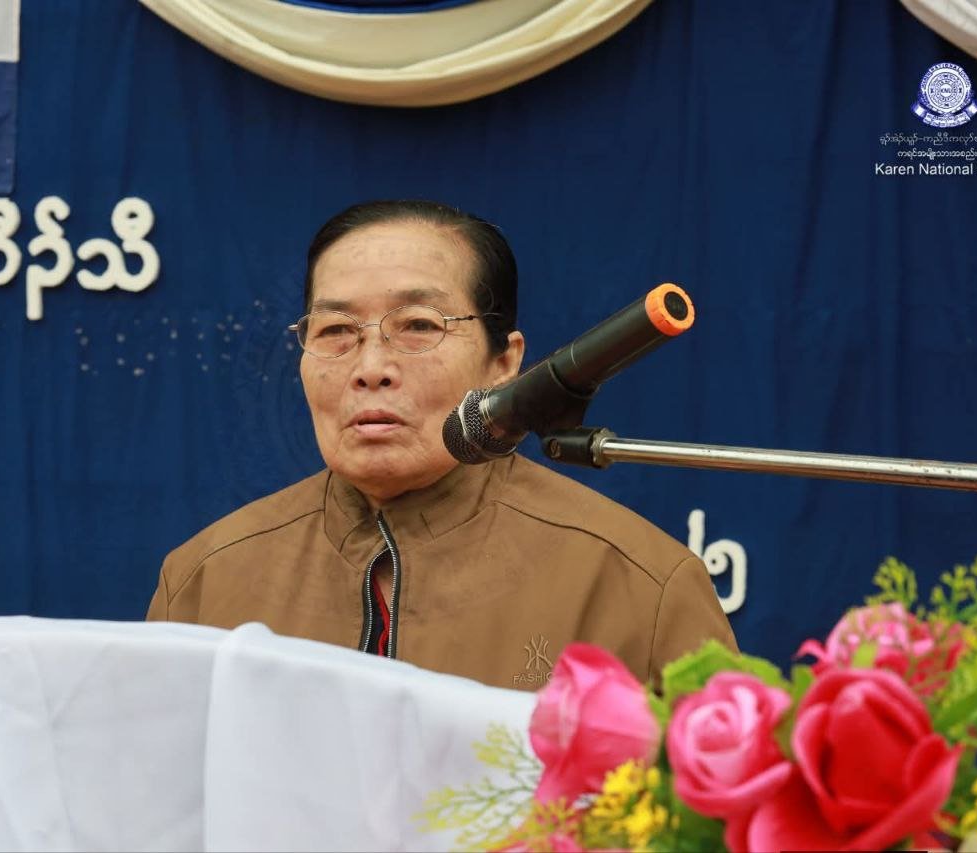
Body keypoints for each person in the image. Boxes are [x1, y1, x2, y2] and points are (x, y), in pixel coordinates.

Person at [146, 200, 736, 691]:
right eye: (336, 331)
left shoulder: (640, 584)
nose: (370, 368)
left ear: (504, 362)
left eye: (419, 326)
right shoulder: (204, 581)